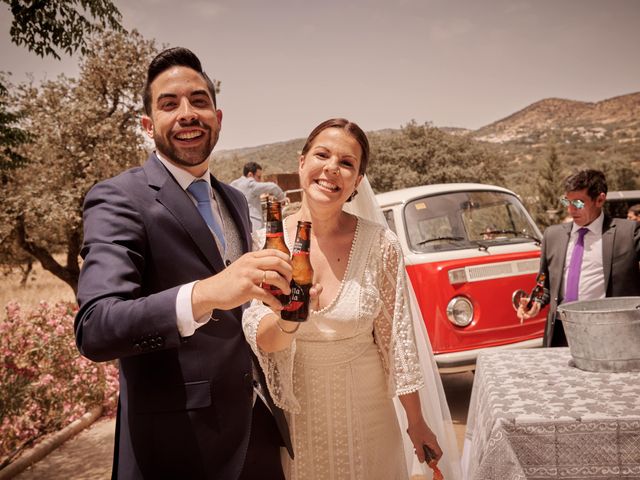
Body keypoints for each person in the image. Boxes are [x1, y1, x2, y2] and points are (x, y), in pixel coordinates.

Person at [74, 47, 294, 479]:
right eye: (169, 104)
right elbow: (96, 327)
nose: (187, 113)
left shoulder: (232, 197)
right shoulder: (119, 199)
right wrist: (209, 292)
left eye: (199, 100)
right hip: (177, 449)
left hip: (258, 432)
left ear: (218, 117)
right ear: (147, 125)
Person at [242, 118, 461, 479]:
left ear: (357, 181)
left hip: (370, 420)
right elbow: (262, 339)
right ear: (301, 162)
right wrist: (289, 319)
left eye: (346, 163)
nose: (332, 169)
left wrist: (417, 422)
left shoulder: (381, 245)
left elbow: (396, 344)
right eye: (322, 155)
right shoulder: (267, 243)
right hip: (301, 426)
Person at [518, 169, 640, 347]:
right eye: (566, 201)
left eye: (578, 203)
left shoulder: (627, 234)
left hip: (610, 335)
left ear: (600, 199)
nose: (570, 209)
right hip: (562, 335)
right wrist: (535, 302)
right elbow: (544, 286)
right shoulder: (553, 236)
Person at [230, 161, 286, 230]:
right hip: (254, 224)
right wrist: (282, 199)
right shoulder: (250, 184)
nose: (259, 181)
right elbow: (273, 187)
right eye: (258, 177)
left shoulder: (233, 184)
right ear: (250, 175)